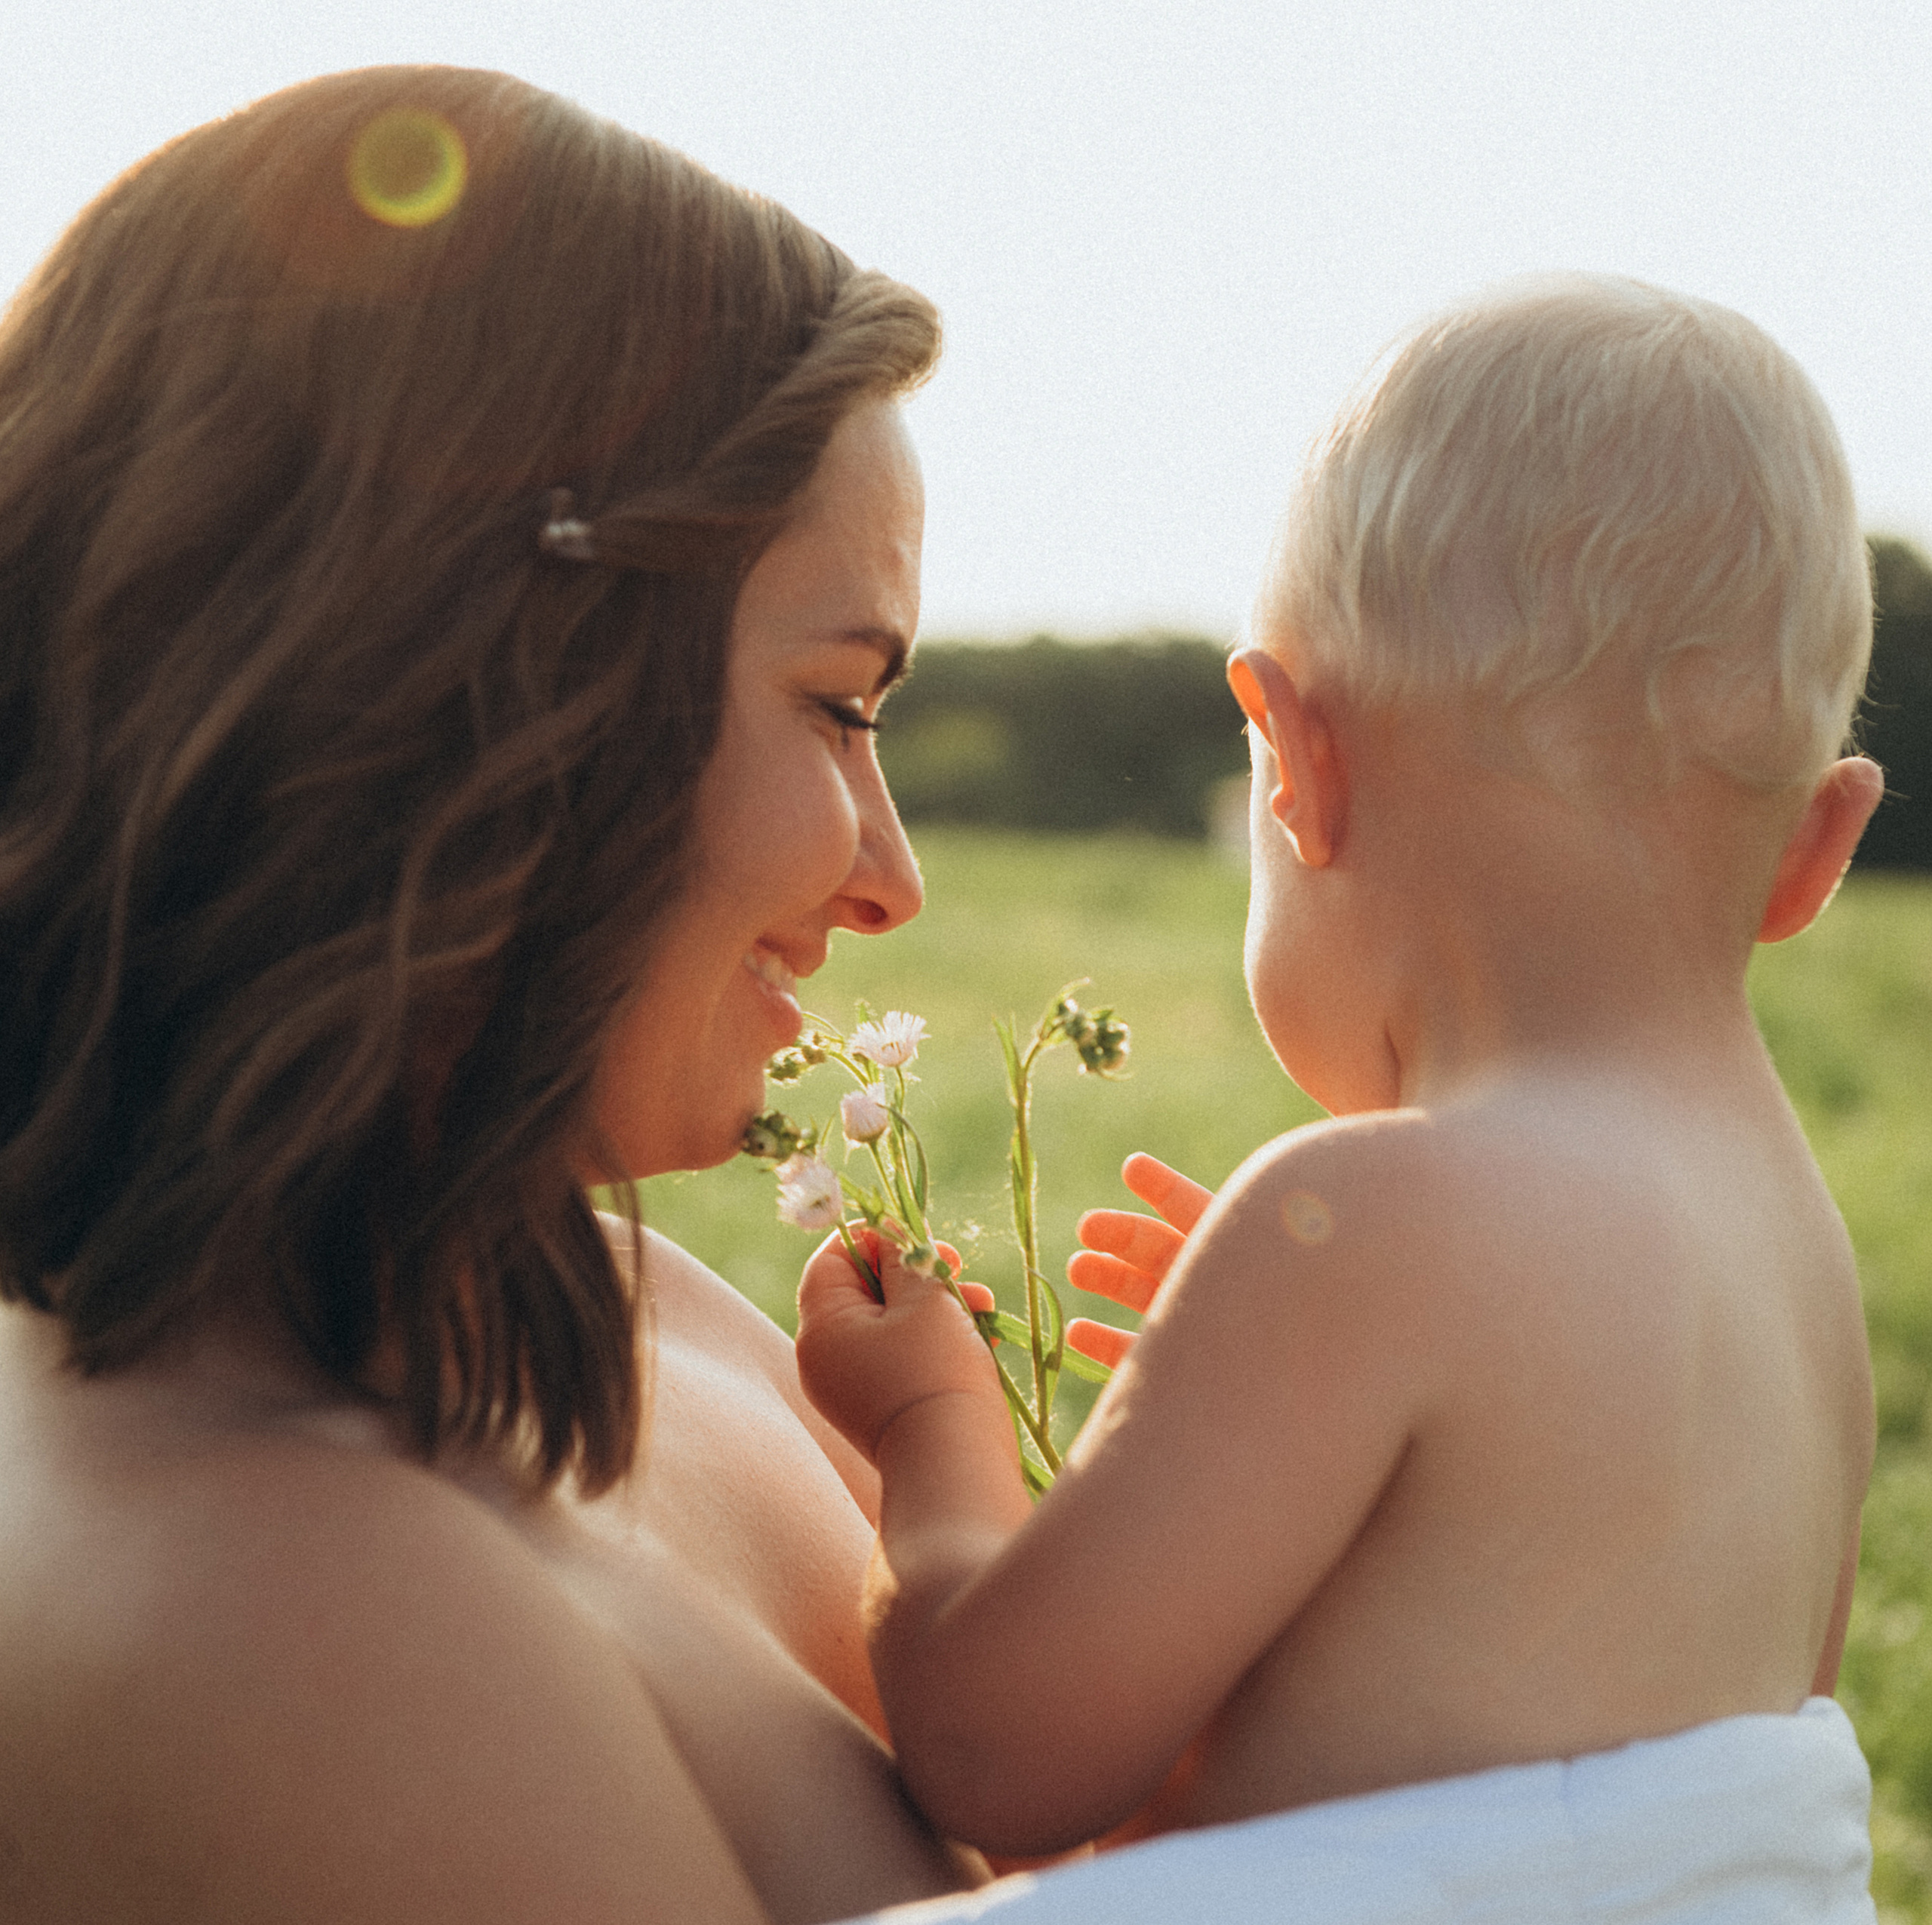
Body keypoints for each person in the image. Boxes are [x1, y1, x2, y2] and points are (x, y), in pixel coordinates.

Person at [0, 65, 993, 1925]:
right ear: (494, 683)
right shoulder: (276, 1614)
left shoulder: (644, 1315)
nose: (889, 875)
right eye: (835, 706)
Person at [795, 278, 1885, 1914]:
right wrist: (1319, 1439)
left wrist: (931, 1434)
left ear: (1292, 768)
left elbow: (1003, 1767)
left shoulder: (1358, 1226)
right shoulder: (1802, 1279)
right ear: (1817, 848)